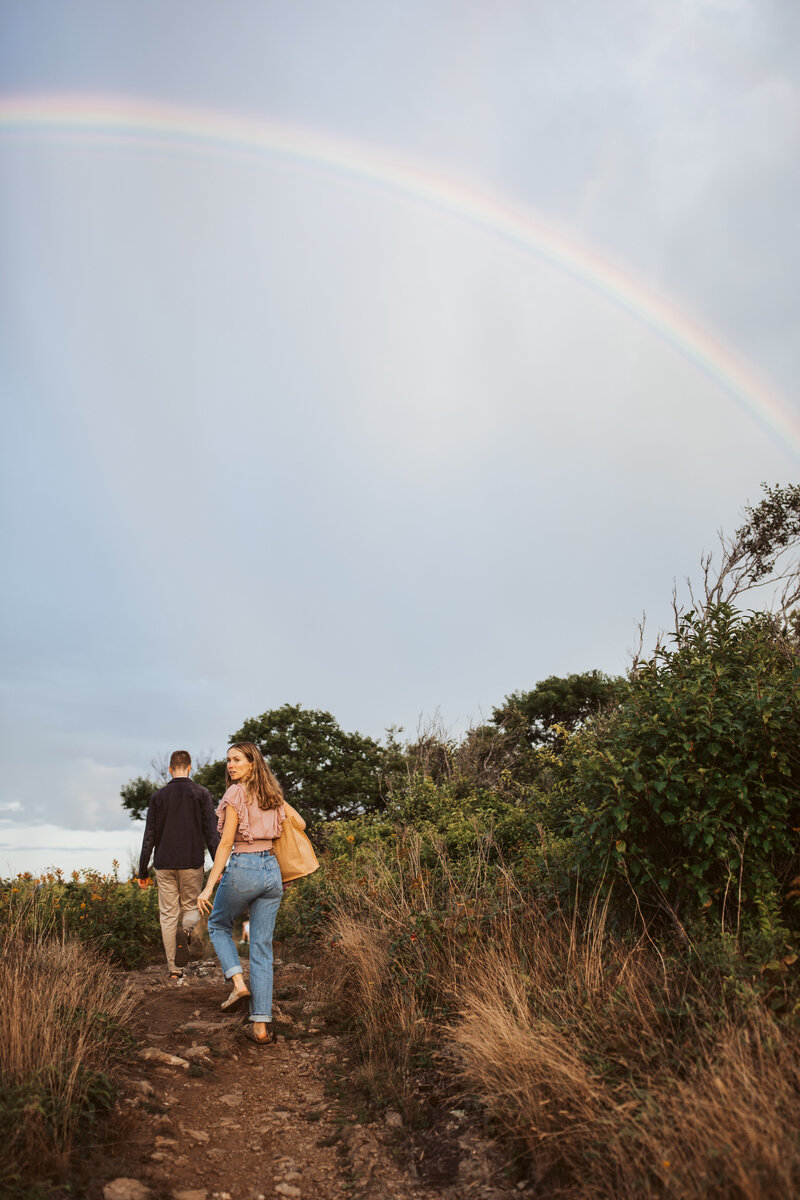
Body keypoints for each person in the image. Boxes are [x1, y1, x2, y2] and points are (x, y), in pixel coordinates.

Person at [198, 741, 285, 1045]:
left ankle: (237, 982)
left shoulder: (236, 793)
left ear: (252, 763)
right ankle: (260, 1026)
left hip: (245, 866)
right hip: (272, 870)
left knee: (218, 924)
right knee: (262, 947)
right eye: (228, 761)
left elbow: (225, 844)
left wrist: (209, 886)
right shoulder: (273, 794)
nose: (230, 765)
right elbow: (297, 823)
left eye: (237, 760)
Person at [137, 750, 220, 980]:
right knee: (191, 907)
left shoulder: (158, 797)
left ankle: (174, 970)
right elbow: (211, 834)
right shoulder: (201, 794)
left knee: (167, 915)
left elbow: (149, 836)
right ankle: (186, 931)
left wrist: (142, 870)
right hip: (192, 862)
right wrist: (219, 865)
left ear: (170, 769)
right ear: (190, 767)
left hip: (163, 863)